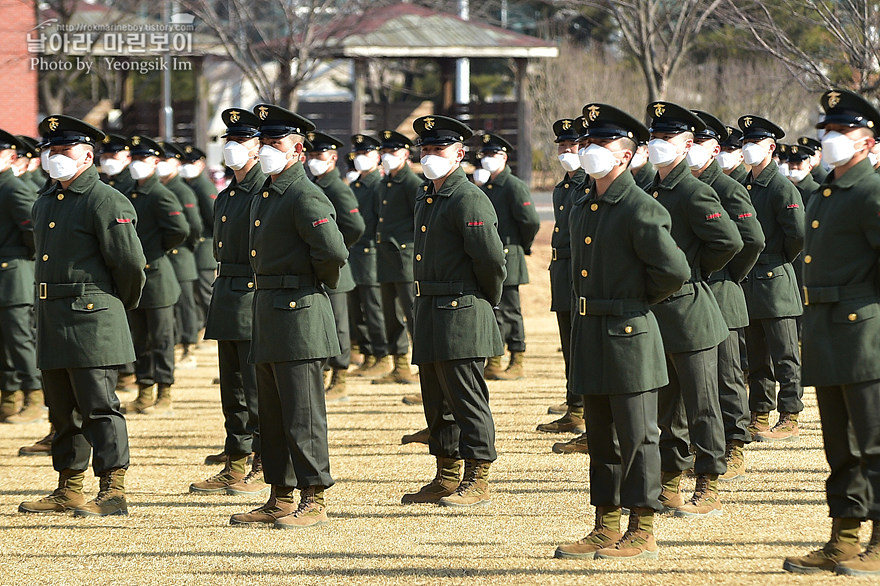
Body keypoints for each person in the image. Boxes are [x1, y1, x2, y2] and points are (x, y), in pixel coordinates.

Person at [554, 103, 690, 560]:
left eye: (602, 143)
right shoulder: (584, 205)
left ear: (627, 156)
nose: (590, 150)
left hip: (630, 333)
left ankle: (642, 526)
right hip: (591, 333)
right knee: (602, 436)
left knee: (637, 437)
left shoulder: (639, 207)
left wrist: (635, 301)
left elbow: (673, 271)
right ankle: (605, 523)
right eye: (587, 142)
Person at [18, 115, 145, 517]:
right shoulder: (47, 199)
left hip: (92, 317)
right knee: (62, 408)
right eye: (51, 149)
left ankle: (112, 490)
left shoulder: (106, 200)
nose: (56, 156)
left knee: (98, 405)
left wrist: (110, 308)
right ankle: (68, 487)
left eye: (65, 150)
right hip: (53, 317)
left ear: (88, 156)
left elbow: (129, 265)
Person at [229, 104, 347, 528]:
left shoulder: (304, 194)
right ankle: (279, 495)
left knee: (303, 413)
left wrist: (304, 286)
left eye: (274, 144)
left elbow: (332, 254)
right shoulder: (269, 192)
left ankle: (313, 498)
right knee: (273, 413)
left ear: (297, 149)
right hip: (268, 314)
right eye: (262, 144)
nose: (264, 152)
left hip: (298, 313)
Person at [783, 88, 880, 576]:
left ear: (866, 142)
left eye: (843, 131)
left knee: (875, 442)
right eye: (828, 130)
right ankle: (844, 537)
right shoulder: (827, 191)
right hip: (826, 333)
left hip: (865, 337)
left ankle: (879, 541)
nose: (831, 138)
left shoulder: (871, 192)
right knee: (839, 445)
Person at [400, 114, 505, 507]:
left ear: (459, 154)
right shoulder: (426, 195)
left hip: (462, 309)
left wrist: (482, 301)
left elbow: (492, 262)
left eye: (438, 149)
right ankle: (446, 474)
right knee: (436, 399)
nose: (429, 156)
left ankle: (477, 476)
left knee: (466, 397)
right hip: (429, 307)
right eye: (424, 150)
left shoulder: (468, 197)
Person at [644, 102, 742, 518]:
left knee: (702, 405)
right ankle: (669, 483)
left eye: (666, 139)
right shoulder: (652, 188)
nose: (657, 145)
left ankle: (709, 482)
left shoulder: (693, 190)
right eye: (654, 137)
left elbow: (731, 241)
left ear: (686, 145)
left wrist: (694, 270)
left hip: (691, 312)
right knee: (667, 407)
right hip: (656, 313)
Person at [192, 108, 267, 496]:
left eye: (241, 142)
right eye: (229, 142)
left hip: (255, 296)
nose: (233, 148)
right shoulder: (227, 196)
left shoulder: (265, 191)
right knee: (233, 390)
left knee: (256, 390)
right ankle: (235, 461)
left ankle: (264, 462)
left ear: (259, 147)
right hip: (228, 296)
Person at [689, 110, 765, 481]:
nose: (693, 149)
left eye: (700, 142)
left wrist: (731, 275)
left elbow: (752, 241)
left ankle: (734, 445)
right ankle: (699, 445)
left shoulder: (728, 188)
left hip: (721, 292)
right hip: (691, 297)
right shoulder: (677, 187)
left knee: (727, 377)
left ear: (715, 148)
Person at [737, 115, 805, 442]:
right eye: (745, 142)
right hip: (749, 282)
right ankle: (759, 414)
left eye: (755, 143)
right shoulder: (744, 185)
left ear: (771, 147)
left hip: (775, 280)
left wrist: (777, 262)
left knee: (785, 353)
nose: (748, 148)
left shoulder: (781, 187)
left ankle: (790, 414)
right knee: (756, 356)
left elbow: (797, 235)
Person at [120, 136, 188, 416]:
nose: (137, 165)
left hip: (158, 276)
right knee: (140, 338)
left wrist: (158, 250)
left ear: (156, 162)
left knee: (161, 339)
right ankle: (144, 389)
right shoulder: (128, 191)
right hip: (136, 279)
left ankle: (164, 392)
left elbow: (180, 229)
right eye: (134, 159)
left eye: (143, 159)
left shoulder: (161, 194)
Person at [536, 118, 587, 444]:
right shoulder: (564, 186)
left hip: (582, 273)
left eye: (574, 145)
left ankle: (584, 411)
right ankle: (576, 408)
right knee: (570, 346)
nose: (567, 151)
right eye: (563, 146)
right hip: (562, 273)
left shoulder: (589, 184)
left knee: (583, 347)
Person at [305, 131, 365, 401]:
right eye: (311, 155)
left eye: (319, 155)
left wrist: (336, 249)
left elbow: (355, 226)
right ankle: (324, 373)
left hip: (337, 268)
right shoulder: (313, 183)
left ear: (332, 158)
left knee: (339, 325)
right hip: (316, 267)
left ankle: (340, 376)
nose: (313, 160)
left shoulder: (337, 187)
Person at [477, 133, 540, 380]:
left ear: (504, 157)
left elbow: (530, 222)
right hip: (492, 257)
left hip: (509, 254)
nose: (488, 159)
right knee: (494, 309)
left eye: (493, 154)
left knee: (510, 309)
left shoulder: (514, 186)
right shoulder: (488, 187)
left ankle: (517, 358)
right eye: (485, 155)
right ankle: (494, 359)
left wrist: (521, 246)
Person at [0, 130, 43, 425]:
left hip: (14, 275)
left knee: (19, 339)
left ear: (12, 158)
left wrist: (25, 261)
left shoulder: (13, 188)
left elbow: (34, 232)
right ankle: (9, 396)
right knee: (4, 342)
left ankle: (34, 395)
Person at [346, 135, 390, 379]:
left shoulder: (378, 185)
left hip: (371, 254)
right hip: (354, 256)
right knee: (356, 310)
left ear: (377, 157)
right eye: (358, 153)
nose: (361, 158)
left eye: (367, 153)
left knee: (374, 309)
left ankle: (382, 354)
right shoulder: (356, 186)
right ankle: (368, 354)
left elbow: (380, 221)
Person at [180, 145, 218, 332]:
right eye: (184, 162)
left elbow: (214, 219)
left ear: (201, 164)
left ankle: (216, 326)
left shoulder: (203, 186)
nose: (187, 166)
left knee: (205, 293)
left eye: (191, 162)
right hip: (192, 247)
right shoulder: (186, 185)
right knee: (194, 294)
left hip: (204, 246)